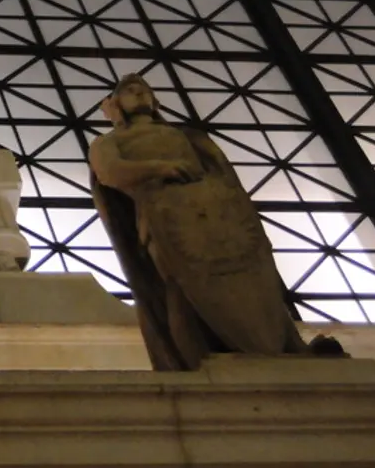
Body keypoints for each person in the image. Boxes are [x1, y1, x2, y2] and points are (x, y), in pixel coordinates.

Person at [89, 74, 340, 370]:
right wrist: (160, 168)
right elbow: (111, 172)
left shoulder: (185, 136)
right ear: (115, 103)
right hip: (165, 219)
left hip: (216, 217)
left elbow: (222, 174)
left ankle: (287, 344)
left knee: (257, 279)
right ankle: (193, 359)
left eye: (145, 90)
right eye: (130, 91)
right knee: (178, 287)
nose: (140, 95)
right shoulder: (110, 141)